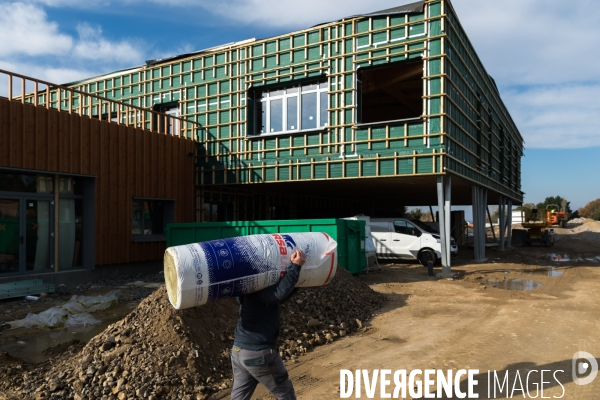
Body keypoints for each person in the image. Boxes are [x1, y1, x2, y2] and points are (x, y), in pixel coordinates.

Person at [230, 249, 306, 400]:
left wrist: (296, 280)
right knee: (286, 394)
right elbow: (277, 295)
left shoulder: (245, 286)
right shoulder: (257, 286)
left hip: (239, 351)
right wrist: (295, 267)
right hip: (259, 354)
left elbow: (278, 296)